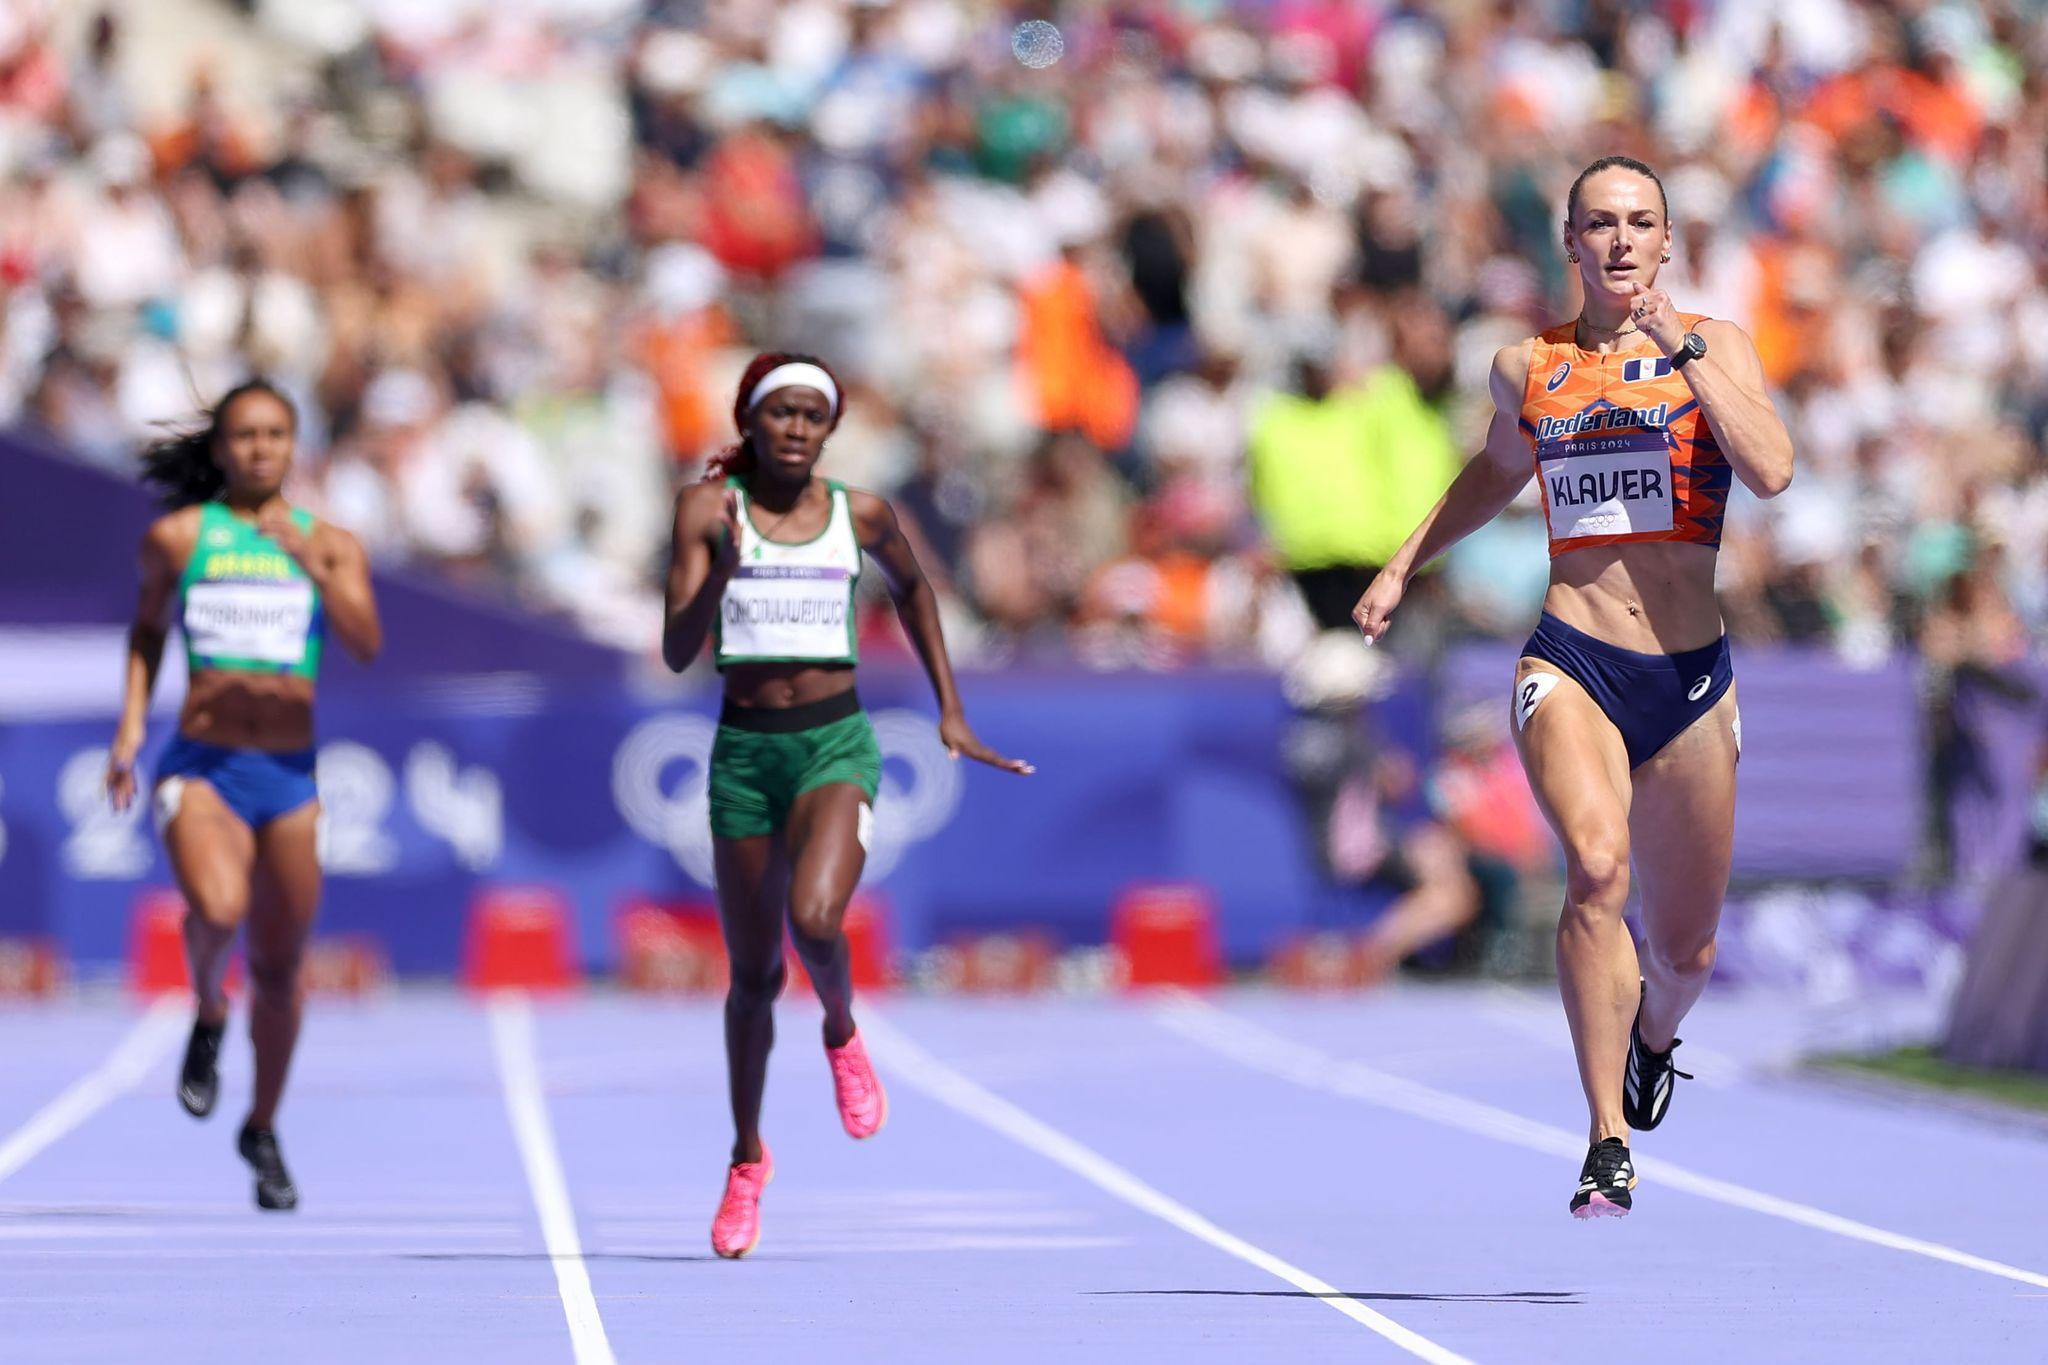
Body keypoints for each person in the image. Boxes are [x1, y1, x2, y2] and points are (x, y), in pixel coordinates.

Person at [1353, 156, 1793, 1217]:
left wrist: (1677, 349)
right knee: (1595, 866)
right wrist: (1404, 560)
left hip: (1688, 680)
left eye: (1639, 223)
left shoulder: (1717, 346)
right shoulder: (1525, 367)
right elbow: (1492, 474)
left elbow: (1771, 469)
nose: (1620, 241)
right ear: (1569, 243)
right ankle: (1604, 1137)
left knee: (1683, 948)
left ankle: (1651, 1035)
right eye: (1598, 224)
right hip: (1572, 657)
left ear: (1666, 240)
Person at [662, 352, 1032, 1258]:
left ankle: (840, 1028)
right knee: (751, 978)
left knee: (816, 918)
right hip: (745, 752)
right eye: (778, 413)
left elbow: (916, 590)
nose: (794, 428)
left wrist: (949, 707)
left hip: (836, 743)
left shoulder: (859, 512)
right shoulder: (707, 510)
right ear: (748, 421)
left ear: (830, 430)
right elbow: (676, 647)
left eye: (811, 416)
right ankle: (748, 1158)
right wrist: (722, 573)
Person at [105, 378, 382, 1211]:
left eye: (274, 435)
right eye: (244, 436)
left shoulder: (330, 542)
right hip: (205, 765)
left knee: (283, 965)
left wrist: (316, 571)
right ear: (221, 450)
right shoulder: (181, 537)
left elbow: (366, 642)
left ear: (293, 447)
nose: (259, 449)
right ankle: (205, 1008)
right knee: (218, 910)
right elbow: (148, 630)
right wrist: (127, 731)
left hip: (290, 777)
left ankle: (260, 1125)